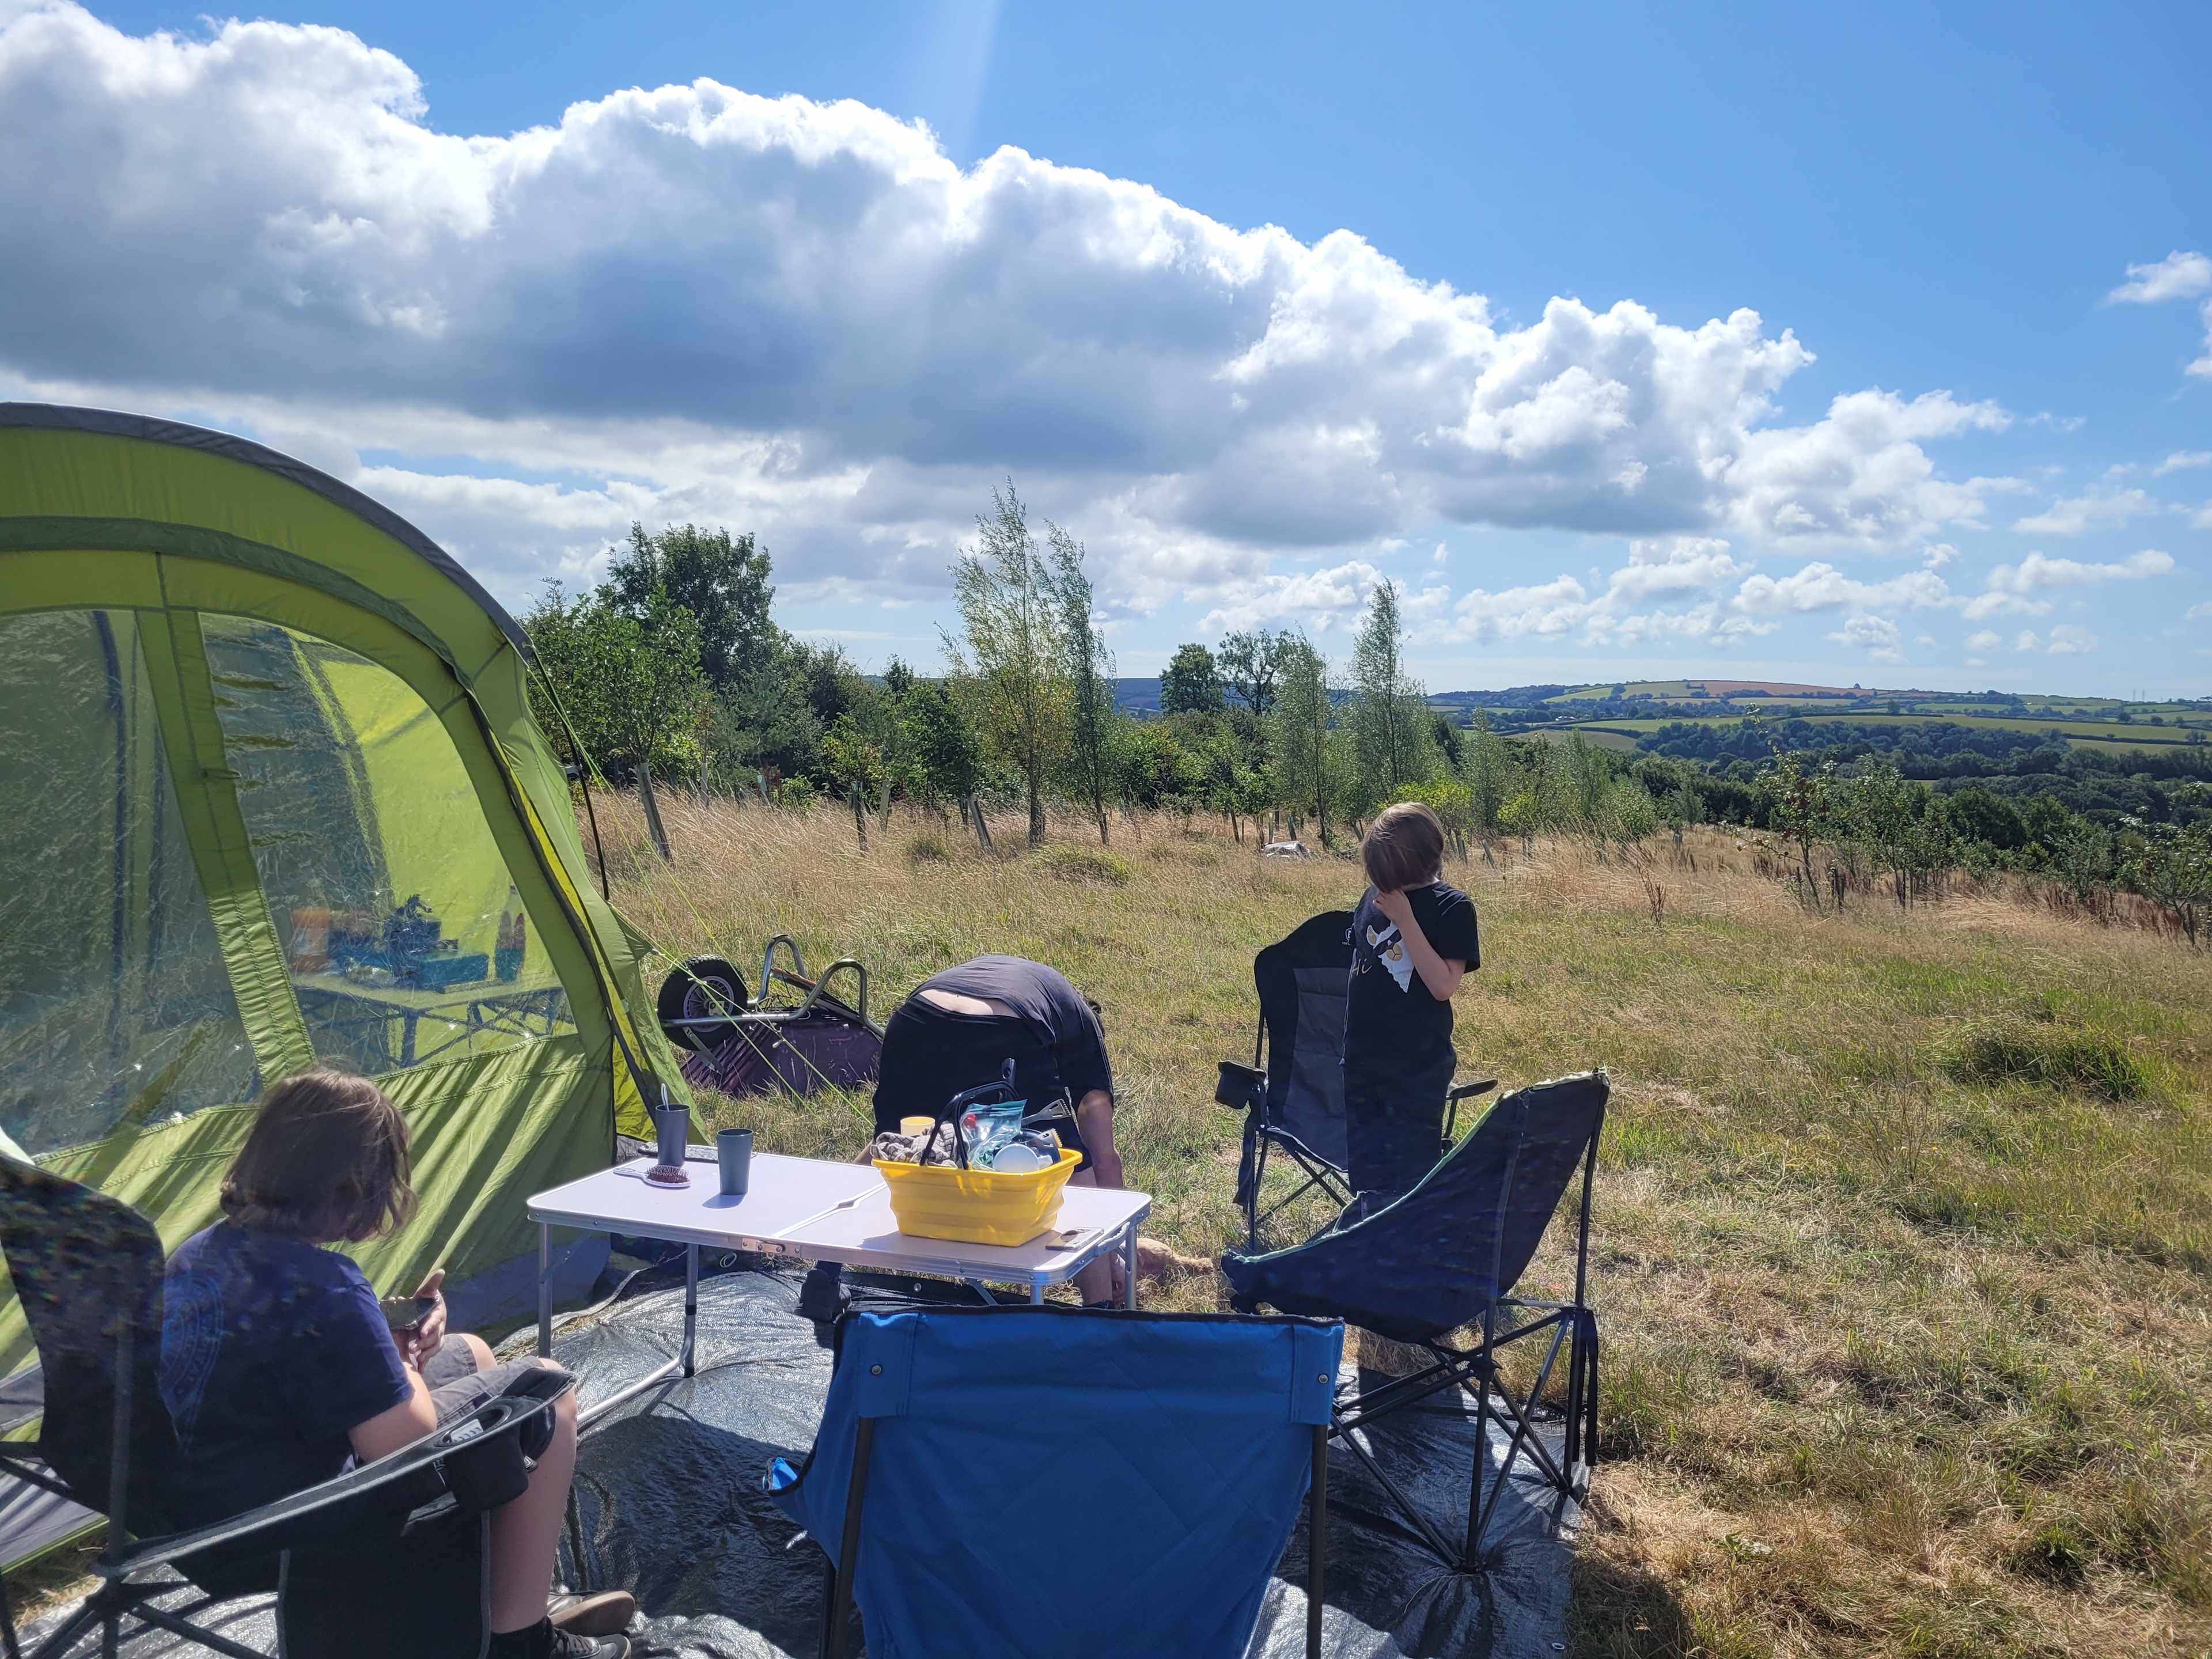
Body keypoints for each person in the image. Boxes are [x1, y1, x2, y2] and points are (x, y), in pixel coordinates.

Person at [158, 1070, 635, 1659]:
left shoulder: (201, 1250)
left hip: (210, 1487)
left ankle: (505, 1593)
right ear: (357, 1188)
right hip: (286, 1520)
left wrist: (381, 1338)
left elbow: (289, 1352)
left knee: (475, 1354)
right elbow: (403, 1442)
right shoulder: (330, 1286)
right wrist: (404, 1356)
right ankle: (520, 1640)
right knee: (547, 1391)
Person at [798, 955, 1134, 1321]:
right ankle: (1101, 1314)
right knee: (1071, 1161)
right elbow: (1104, 1158)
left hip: (917, 1017)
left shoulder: (1040, 988)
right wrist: (1112, 1249)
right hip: (1005, 1026)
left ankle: (824, 1275)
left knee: (896, 1144)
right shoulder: (1085, 1029)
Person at [1342, 802, 1480, 1205]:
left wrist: (1406, 921)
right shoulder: (1375, 898)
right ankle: (1369, 1227)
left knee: (1410, 1169)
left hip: (1416, 1069)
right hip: (1362, 1062)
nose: (1382, 885)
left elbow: (1442, 985)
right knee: (1367, 1168)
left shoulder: (1453, 908)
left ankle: (1407, 1235)